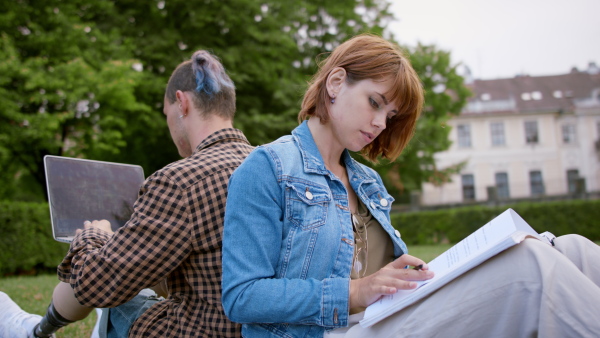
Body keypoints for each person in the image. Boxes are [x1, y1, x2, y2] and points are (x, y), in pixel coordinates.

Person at [220, 33, 600, 337]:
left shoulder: (366, 180)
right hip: (326, 333)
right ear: (336, 82)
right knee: (529, 267)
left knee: (572, 249)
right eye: (375, 102)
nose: (381, 124)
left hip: (383, 320)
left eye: (390, 115)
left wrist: (415, 274)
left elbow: (383, 278)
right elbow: (242, 296)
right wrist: (356, 291)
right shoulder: (267, 168)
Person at [0, 50, 253, 337]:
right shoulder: (274, 167)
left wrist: (93, 237)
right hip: (255, 328)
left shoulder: (181, 180)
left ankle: (33, 331)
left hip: (196, 330)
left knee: (110, 279)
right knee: (134, 270)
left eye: (166, 113)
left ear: (181, 103)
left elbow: (95, 284)